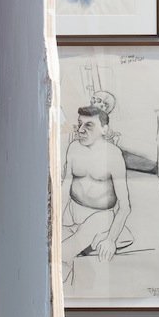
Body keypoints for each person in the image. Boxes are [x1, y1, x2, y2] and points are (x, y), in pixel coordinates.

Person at [61, 93, 134, 275]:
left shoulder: (113, 155)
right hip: (72, 213)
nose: (80, 130)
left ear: (104, 129)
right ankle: (108, 236)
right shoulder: (73, 148)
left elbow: (125, 205)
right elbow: (65, 186)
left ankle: (106, 235)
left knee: (62, 254)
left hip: (100, 216)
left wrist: (110, 240)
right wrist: (57, 216)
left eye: (89, 126)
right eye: (80, 124)